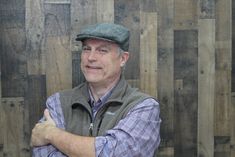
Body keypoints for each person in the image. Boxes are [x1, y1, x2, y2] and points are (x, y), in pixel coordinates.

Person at [31, 23, 161, 157]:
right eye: (87, 49)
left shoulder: (143, 106)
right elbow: (43, 153)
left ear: (123, 59)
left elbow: (116, 153)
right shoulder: (58, 103)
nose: (91, 57)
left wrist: (52, 134)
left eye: (102, 50)